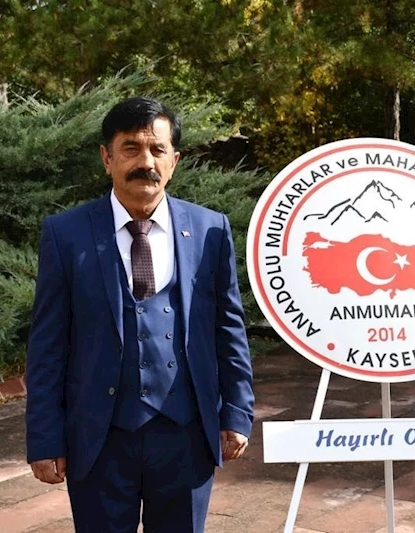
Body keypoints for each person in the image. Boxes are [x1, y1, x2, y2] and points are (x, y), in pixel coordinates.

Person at [25, 96, 254, 532]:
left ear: (174, 161)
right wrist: (44, 436)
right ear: (107, 158)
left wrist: (237, 412)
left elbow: (229, 331)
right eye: (131, 148)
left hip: (186, 436)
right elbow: (48, 345)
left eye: (157, 150)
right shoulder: (66, 234)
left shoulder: (210, 229)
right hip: (98, 438)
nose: (145, 162)